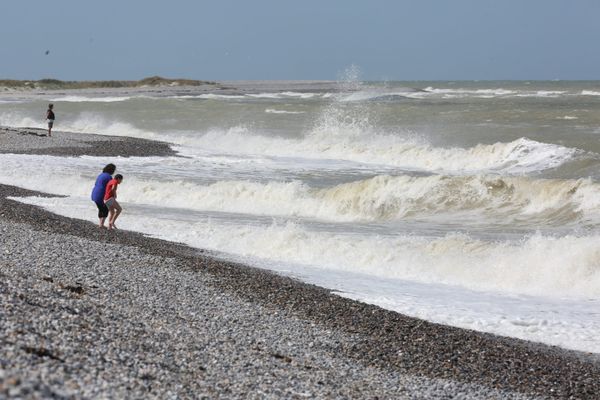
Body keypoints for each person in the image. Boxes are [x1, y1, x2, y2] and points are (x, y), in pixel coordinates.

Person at [91, 164, 116, 228]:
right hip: (100, 194)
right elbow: (110, 188)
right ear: (111, 170)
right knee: (105, 209)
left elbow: (96, 183)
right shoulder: (109, 177)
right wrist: (113, 196)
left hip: (94, 193)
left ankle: (101, 224)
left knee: (100, 209)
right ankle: (101, 225)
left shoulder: (100, 175)